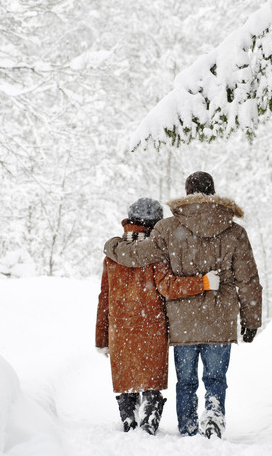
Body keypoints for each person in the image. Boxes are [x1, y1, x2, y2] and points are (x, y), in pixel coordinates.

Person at [104, 172, 262, 439]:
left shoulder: (168, 229)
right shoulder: (235, 232)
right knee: (215, 379)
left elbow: (137, 255)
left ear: (187, 193)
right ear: (213, 192)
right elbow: (248, 280)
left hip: (183, 321)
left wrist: (112, 246)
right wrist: (251, 319)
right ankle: (213, 417)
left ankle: (188, 427)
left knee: (186, 381)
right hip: (220, 319)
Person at [96, 197, 220, 435]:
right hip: (151, 327)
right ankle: (149, 420)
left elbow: (104, 299)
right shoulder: (156, 254)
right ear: (155, 223)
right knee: (150, 381)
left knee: (127, 379)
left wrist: (102, 338)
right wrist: (202, 282)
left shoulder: (112, 256)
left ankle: (129, 417)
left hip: (120, 328)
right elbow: (169, 287)